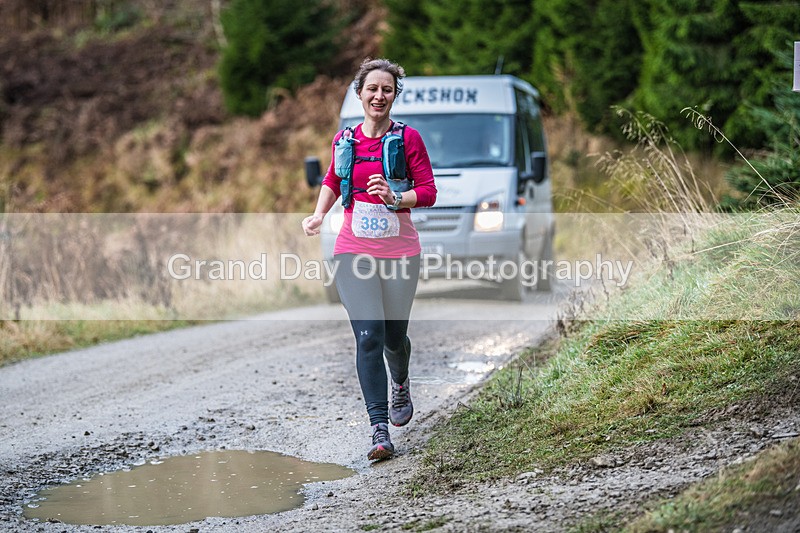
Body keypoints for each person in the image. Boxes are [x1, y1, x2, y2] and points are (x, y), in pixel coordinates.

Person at [302, 58, 436, 461]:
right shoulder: (344, 140)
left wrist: (394, 197)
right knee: (369, 335)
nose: (379, 96)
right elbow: (332, 178)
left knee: (393, 338)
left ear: (394, 96)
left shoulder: (408, 139)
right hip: (352, 250)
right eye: (372, 89)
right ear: (359, 93)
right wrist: (319, 214)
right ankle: (379, 430)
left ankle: (400, 381)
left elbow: (428, 191)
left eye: (387, 90)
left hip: (400, 252)